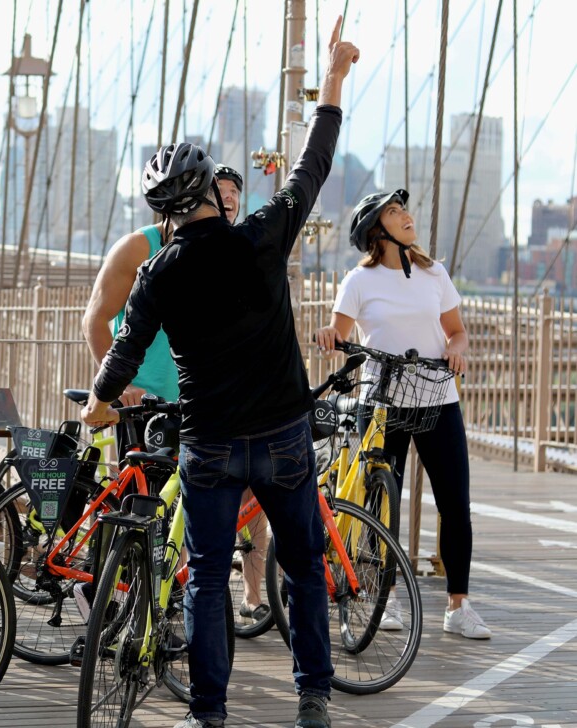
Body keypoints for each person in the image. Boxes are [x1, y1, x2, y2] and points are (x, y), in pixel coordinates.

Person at [82, 18, 358, 728]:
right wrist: (331, 80)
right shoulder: (261, 237)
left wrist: (99, 404)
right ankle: (313, 698)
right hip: (284, 437)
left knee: (206, 577)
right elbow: (312, 169)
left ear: (164, 210)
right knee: (303, 568)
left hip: (207, 445)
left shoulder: (157, 273)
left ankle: (209, 714)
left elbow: (121, 348)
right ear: (211, 189)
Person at [79, 165, 264, 621]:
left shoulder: (229, 249)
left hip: (206, 403)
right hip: (145, 404)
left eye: (231, 195)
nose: (222, 202)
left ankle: (245, 597)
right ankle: (124, 600)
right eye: (213, 193)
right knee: (148, 509)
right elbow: (95, 319)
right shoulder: (141, 246)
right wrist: (120, 388)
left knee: (233, 502)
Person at [314, 189, 489, 640]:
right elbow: (340, 330)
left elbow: (457, 332)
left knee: (455, 505)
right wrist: (329, 334)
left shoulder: (434, 273)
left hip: (437, 398)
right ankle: (383, 598)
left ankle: (459, 606)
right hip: (384, 403)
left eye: (404, 209)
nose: (407, 216)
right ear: (378, 230)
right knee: (379, 501)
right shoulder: (359, 280)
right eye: (395, 212)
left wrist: (456, 349)